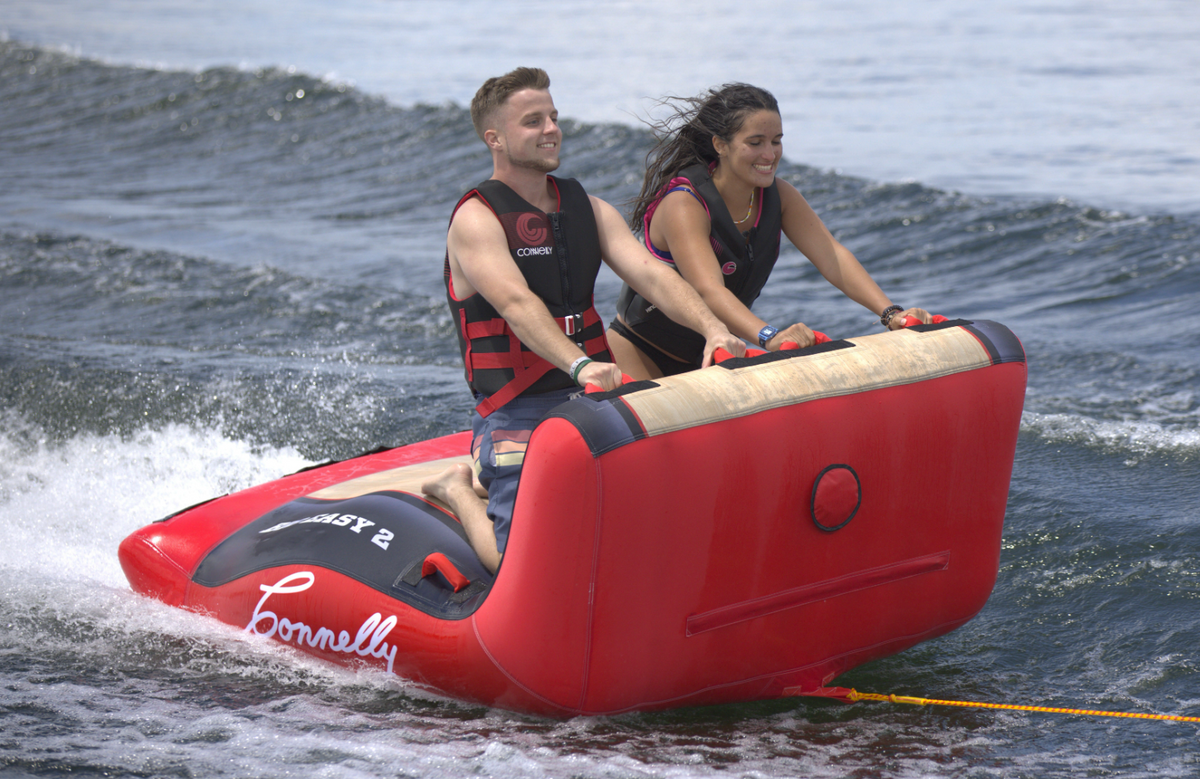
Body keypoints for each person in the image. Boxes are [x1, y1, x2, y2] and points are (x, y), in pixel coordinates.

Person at [421, 67, 743, 574]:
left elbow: (651, 275)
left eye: (553, 116)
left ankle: (496, 475)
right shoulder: (476, 219)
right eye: (533, 121)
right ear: (495, 139)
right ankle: (458, 488)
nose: (551, 128)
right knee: (514, 561)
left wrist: (713, 328)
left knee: (667, 497)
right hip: (518, 406)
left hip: (590, 395)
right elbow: (516, 303)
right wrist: (580, 365)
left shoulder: (584, 207)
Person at [606, 83, 933, 380]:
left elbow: (832, 256)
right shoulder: (685, 203)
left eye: (776, 141)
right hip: (643, 353)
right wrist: (769, 336)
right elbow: (708, 289)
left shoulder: (780, 197)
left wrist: (891, 314)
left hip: (718, 355)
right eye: (755, 142)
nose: (770, 154)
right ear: (720, 144)